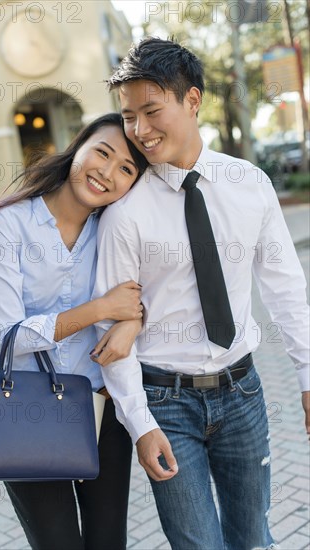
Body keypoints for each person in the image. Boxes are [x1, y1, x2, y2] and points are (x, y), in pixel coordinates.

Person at [92, 38, 310, 550]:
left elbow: (285, 288)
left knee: (253, 536)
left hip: (244, 391)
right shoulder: (125, 214)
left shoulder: (249, 184)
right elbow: (110, 331)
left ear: (192, 101)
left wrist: (307, 375)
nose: (140, 131)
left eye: (151, 110)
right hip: (165, 402)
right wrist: (140, 424)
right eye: (127, 117)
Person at [0, 113, 149, 550]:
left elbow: (146, 294)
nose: (107, 173)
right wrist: (101, 309)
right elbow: (11, 334)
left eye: (126, 168)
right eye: (102, 153)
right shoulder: (9, 224)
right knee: (58, 544)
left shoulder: (116, 229)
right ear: (78, 148)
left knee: (109, 543)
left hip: (100, 409)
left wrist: (133, 319)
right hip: (25, 413)